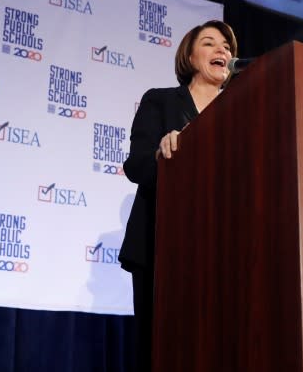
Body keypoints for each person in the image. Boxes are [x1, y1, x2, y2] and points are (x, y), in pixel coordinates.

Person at [118, 19, 238, 372]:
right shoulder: (160, 101)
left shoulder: (241, 111)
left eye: (227, 47)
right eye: (210, 43)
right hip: (162, 249)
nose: (223, 51)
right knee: (162, 353)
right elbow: (136, 166)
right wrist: (164, 154)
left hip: (225, 252)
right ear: (189, 55)